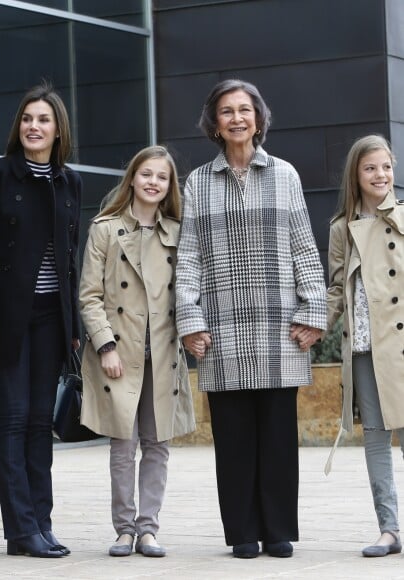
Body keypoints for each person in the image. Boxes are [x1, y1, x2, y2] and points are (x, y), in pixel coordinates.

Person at [175, 79, 326, 559]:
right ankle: (242, 531)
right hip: (221, 329)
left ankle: (278, 530)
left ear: (258, 118)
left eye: (245, 110)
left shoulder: (285, 174)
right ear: (214, 124)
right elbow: (190, 258)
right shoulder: (198, 181)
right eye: (226, 111)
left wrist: (314, 312)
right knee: (234, 437)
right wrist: (190, 319)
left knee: (278, 436)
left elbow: (305, 246)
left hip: (280, 326)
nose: (237, 118)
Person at [0, 83, 82, 558]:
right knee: (13, 418)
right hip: (6, 317)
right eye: (27, 118)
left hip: (53, 318)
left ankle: (42, 524)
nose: (34, 126)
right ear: (19, 126)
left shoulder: (68, 181)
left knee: (38, 422)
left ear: (57, 129)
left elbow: (71, 258)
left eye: (43, 119)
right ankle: (20, 529)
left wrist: (74, 329)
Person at [79, 145, 196, 558]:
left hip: (163, 353)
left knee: (158, 443)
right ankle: (124, 530)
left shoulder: (178, 233)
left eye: (161, 177)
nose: (153, 182)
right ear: (132, 178)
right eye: (146, 174)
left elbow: (188, 294)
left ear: (169, 187)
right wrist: (105, 345)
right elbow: (89, 296)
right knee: (123, 445)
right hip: (119, 353)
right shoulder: (105, 229)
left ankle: (148, 529)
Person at [326, 134, 404, 557]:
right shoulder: (342, 228)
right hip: (363, 348)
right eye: (371, 167)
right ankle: (389, 530)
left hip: (401, 344)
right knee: (375, 436)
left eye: (387, 167)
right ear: (356, 174)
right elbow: (337, 289)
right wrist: (311, 326)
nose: (381, 175)